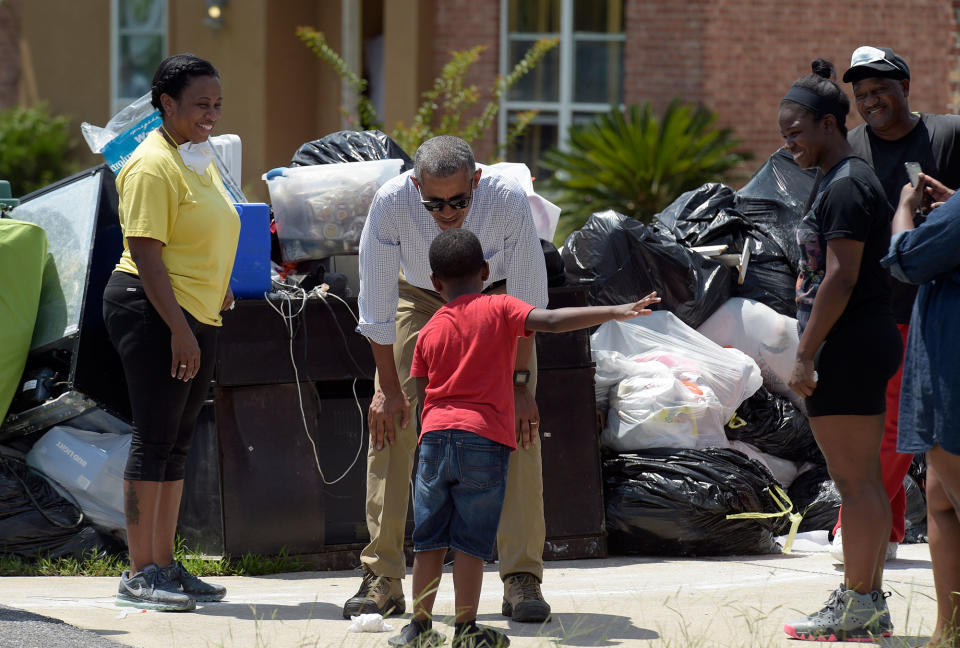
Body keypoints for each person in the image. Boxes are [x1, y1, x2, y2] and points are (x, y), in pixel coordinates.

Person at [388, 228, 659, 648]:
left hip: (435, 443)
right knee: (470, 543)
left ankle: (418, 629)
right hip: (483, 441)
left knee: (428, 541)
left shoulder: (428, 332)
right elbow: (550, 321)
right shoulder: (499, 307)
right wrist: (615, 311)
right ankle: (466, 630)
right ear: (484, 271)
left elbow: (424, 397)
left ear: (435, 283)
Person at [349, 135, 552, 623]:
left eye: (459, 201)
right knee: (391, 423)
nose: (446, 212)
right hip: (419, 297)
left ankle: (521, 576)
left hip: (497, 299)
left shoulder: (505, 198)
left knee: (515, 428)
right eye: (434, 202)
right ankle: (383, 575)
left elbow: (528, 297)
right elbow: (376, 308)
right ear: (415, 184)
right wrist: (388, 390)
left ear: (476, 182)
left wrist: (519, 385)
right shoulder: (392, 202)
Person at [102, 53, 238, 612]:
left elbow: (201, 230)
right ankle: (139, 574)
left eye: (217, 105)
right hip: (152, 309)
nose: (211, 115)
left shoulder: (193, 157)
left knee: (177, 445)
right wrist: (179, 329)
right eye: (200, 104)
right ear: (167, 104)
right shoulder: (151, 163)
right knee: (153, 439)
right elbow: (146, 251)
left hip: (196, 311)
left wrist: (219, 284)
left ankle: (163, 564)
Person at [778, 60, 902, 641]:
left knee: (854, 483)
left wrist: (804, 354)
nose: (789, 144)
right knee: (864, 480)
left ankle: (858, 602)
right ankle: (866, 600)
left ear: (830, 125)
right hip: (857, 341)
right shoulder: (842, 178)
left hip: (847, 344)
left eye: (797, 131)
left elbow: (841, 277)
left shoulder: (848, 184)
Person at [829, 45, 960, 564]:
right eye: (860, 95)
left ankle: (856, 529)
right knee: (882, 420)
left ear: (905, 85)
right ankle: (885, 530)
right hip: (869, 306)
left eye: (880, 89)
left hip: (931, 306)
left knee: (894, 424)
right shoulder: (852, 148)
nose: (870, 100)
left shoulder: (949, 133)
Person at [883, 174, 960, 648]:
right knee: (939, 502)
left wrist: (904, 209)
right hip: (944, 367)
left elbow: (907, 258)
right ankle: (948, 631)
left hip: (953, 372)